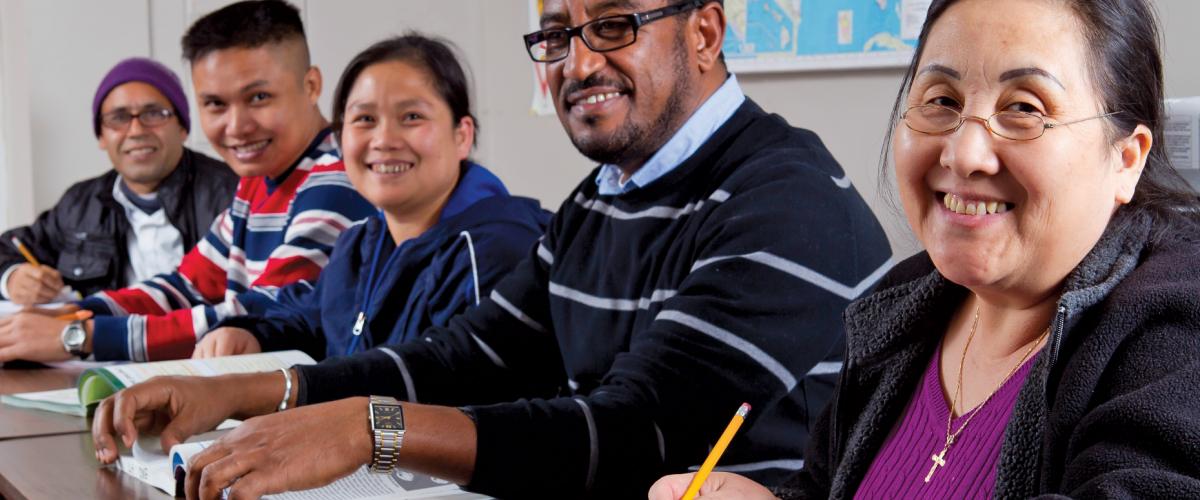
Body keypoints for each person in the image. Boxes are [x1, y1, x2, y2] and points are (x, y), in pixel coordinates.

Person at [92, 0, 893, 497]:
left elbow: (638, 433)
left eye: (614, 24)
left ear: (707, 30)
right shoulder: (603, 198)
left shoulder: (785, 201)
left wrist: (375, 429)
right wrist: (242, 393)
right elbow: (467, 356)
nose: (579, 63)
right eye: (556, 35)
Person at [649, 0, 1200, 498]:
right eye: (941, 99)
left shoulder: (1175, 329)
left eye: (1025, 107)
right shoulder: (901, 307)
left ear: (1127, 158)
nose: (964, 154)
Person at [0, 0, 375, 363]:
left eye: (259, 97)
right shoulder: (260, 178)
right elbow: (186, 287)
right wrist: (68, 316)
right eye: (215, 104)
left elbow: (261, 317)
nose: (237, 127)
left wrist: (78, 337)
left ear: (311, 86)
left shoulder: (338, 177)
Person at [192, 35, 550, 360]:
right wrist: (250, 334)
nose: (383, 140)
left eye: (411, 117)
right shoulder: (362, 242)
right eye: (364, 118)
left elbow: (458, 410)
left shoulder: (493, 253)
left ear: (462, 135)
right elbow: (315, 319)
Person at [0, 57, 237, 305]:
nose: (136, 131)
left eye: (154, 113)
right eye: (118, 118)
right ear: (101, 136)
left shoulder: (234, 194)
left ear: (182, 127)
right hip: (101, 341)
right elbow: (8, 247)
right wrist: (13, 277)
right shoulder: (80, 205)